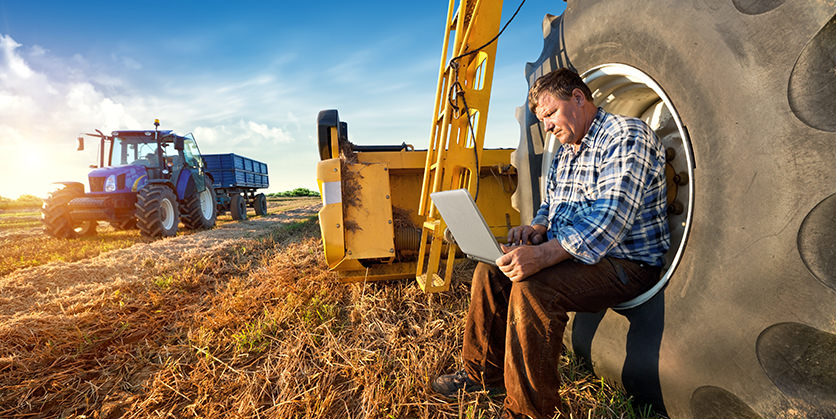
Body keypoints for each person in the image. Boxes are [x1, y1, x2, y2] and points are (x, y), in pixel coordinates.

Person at [431, 68, 671, 418]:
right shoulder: (567, 150)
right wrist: (537, 228)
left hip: (626, 263)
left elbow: (609, 222)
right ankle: (482, 374)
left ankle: (528, 411)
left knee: (532, 288)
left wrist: (542, 256)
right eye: (541, 118)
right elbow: (553, 203)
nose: (546, 126)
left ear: (577, 97)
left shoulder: (625, 135)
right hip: (579, 257)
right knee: (490, 270)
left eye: (549, 114)